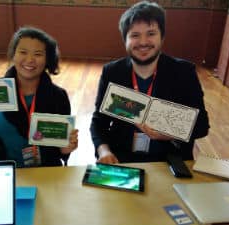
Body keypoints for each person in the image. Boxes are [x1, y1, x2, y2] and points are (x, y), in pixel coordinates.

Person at [90, 1, 210, 164]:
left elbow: (202, 125)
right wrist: (104, 150)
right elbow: (99, 122)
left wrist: (168, 133)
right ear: (125, 39)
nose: (143, 42)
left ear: (162, 36)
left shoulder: (184, 72)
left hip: (170, 160)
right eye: (135, 35)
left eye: (151, 33)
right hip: (122, 158)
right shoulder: (112, 72)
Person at [0, 26, 78, 167]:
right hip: (2, 171)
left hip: (43, 172)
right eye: (23, 52)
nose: (30, 59)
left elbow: (60, 149)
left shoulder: (58, 96)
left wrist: (65, 148)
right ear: (14, 55)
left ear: (47, 60)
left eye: (38, 54)